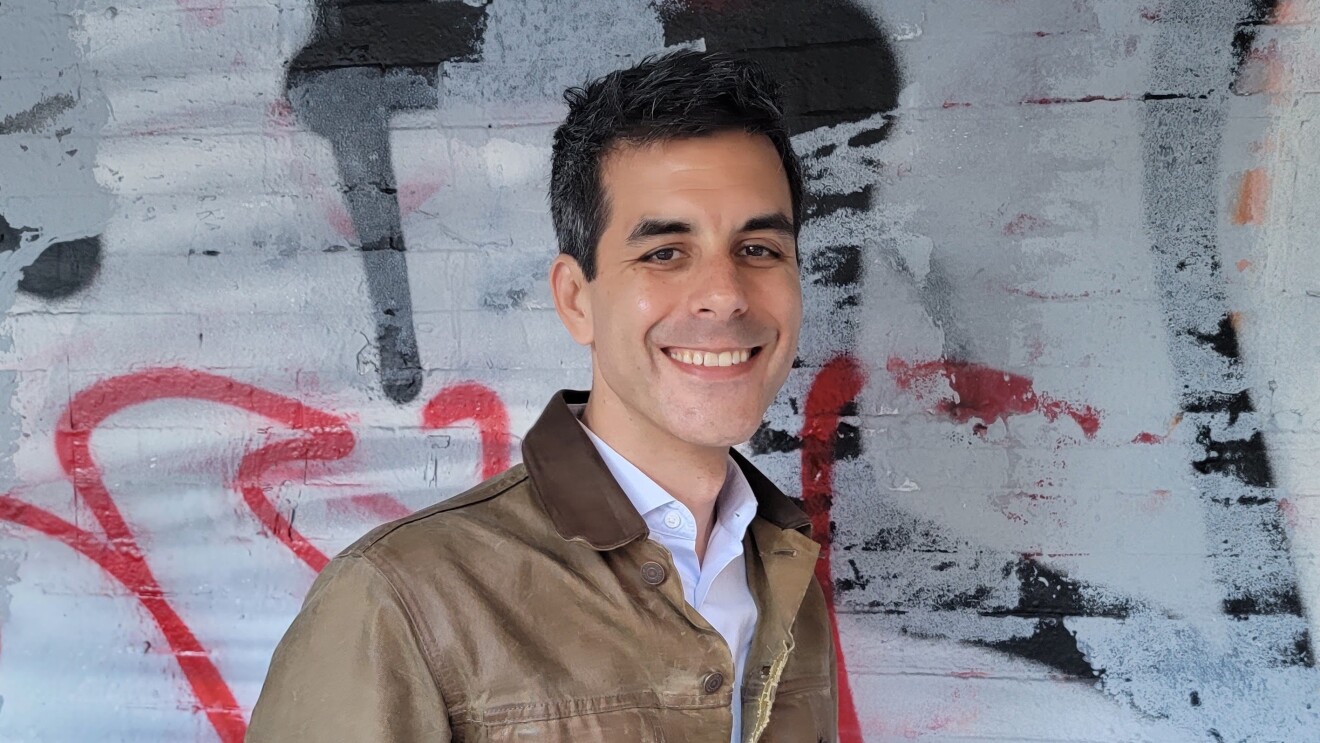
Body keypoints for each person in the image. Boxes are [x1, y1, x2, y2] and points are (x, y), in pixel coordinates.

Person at [247, 50, 837, 742]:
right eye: (665, 253)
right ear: (575, 299)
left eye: (760, 249)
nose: (725, 296)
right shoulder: (399, 600)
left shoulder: (787, 578)